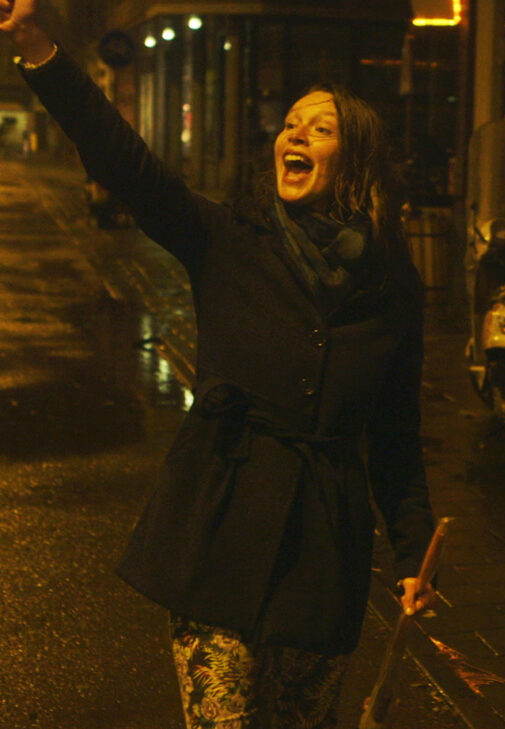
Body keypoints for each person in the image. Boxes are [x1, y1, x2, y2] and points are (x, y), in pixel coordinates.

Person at [1, 2, 436, 726]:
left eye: (319, 128)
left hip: (324, 556)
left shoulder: (392, 285)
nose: (295, 134)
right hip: (222, 527)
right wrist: (38, 46)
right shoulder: (230, 239)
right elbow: (124, 161)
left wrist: (413, 551)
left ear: (355, 159)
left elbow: (395, 434)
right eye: (290, 123)